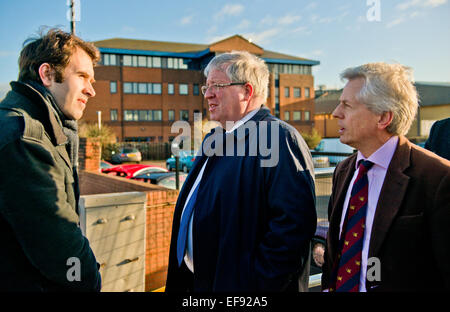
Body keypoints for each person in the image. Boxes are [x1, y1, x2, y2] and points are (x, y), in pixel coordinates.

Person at [165, 51, 317, 292]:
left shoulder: (278, 138)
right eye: (206, 87)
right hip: (201, 281)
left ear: (247, 91)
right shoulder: (215, 138)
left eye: (217, 86)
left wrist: (252, 286)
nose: (208, 95)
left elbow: (292, 229)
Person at [321, 63, 450, 292]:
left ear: (383, 118)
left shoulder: (438, 178)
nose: (335, 113)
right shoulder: (344, 171)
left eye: (347, 106)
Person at [0, 28, 102, 291]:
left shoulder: (28, 128)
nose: (91, 91)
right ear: (46, 74)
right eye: (82, 77)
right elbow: (60, 249)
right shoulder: (25, 139)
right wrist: (90, 281)